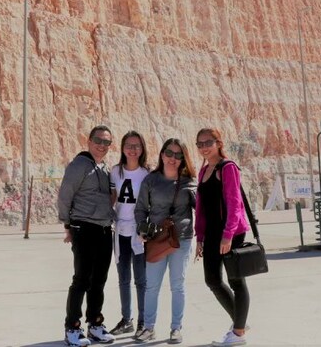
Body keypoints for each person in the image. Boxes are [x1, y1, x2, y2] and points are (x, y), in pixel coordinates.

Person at [57, 126, 117, 347]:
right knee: (81, 279)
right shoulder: (79, 165)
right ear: (89, 141)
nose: (102, 145)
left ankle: (95, 324)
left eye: (107, 142)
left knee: (99, 281)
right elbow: (65, 195)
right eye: (98, 141)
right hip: (84, 228)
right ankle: (72, 327)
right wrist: (67, 224)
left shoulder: (104, 167)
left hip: (103, 230)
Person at [133, 139, 197, 344]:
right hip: (156, 239)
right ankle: (149, 328)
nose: (173, 158)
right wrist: (141, 228)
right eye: (169, 153)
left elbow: (202, 210)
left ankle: (176, 328)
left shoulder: (189, 182)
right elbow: (141, 208)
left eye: (178, 155)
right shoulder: (151, 180)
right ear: (162, 154)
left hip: (182, 239)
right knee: (152, 286)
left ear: (183, 158)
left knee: (177, 285)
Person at [195, 128, 252, 347]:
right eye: (199, 144)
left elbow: (234, 203)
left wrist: (227, 236)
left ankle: (238, 333)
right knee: (212, 280)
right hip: (210, 234)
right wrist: (200, 236)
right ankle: (240, 322)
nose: (204, 147)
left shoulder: (227, 167)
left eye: (208, 142)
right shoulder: (203, 170)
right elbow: (201, 207)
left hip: (231, 233)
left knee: (236, 281)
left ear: (218, 142)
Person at [108, 131, 150, 336]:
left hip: (139, 233)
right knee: (123, 279)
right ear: (122, 148)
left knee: (141, 280)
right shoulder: (115, 171)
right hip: (120, 231)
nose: (133, 150)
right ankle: (127, 320)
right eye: (129, 145)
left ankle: (143, 321)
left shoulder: (147, 174)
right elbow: (112, 198)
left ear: (142, 149)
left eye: (137, 146)